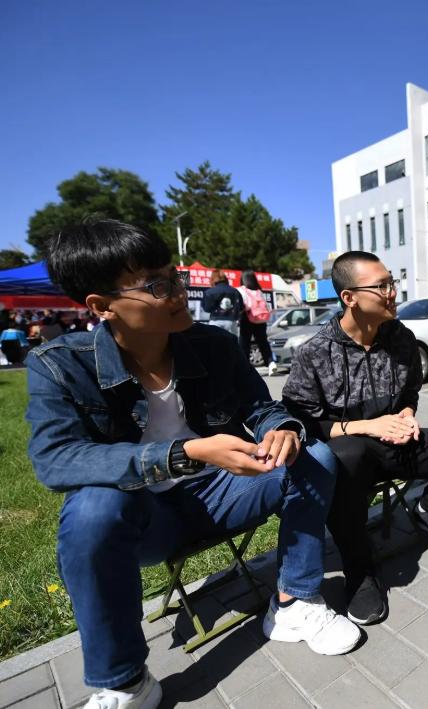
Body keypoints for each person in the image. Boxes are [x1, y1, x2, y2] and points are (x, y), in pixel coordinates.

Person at [25, 220, 359, 709]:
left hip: (225, 492)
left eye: (175, 277)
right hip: (141, 519)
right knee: (92, 508)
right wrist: (185, 453)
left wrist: (280, 430)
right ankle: (125, 682)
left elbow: (261, 409)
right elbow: (56, 460)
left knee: (315, 455)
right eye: (157, 286)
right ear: (101, 306)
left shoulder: (212, 345)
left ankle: (294, 600)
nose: (180, 293)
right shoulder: (58, 364)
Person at [282, 251, 428, 625]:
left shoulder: (400, 338)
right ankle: (359, 569)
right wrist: (366, 426)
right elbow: (300, 421)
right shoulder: (316, 353)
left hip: (398, 445)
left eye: (392, 283)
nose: (392, 292)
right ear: (349, 297)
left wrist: (405, 415)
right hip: (351, 459)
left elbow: (411, 393)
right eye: (381, 286)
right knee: (345, 455)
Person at [237, 269, 276, 375]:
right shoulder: (259, 291)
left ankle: (244, 368)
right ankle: (271, 364)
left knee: (244, 343)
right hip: (261, 320)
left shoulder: (241, 290)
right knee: (263, 342)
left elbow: (243, 304)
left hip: (247, 318)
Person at [202, 269, 244, 336]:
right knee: (231, 344)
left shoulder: (209, 292)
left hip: (215, 321)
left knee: (215, 344)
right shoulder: (235, 291)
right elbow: (241, 307)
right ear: (226, 279)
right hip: (231, 321)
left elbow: (207, 309)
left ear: (212, 279)